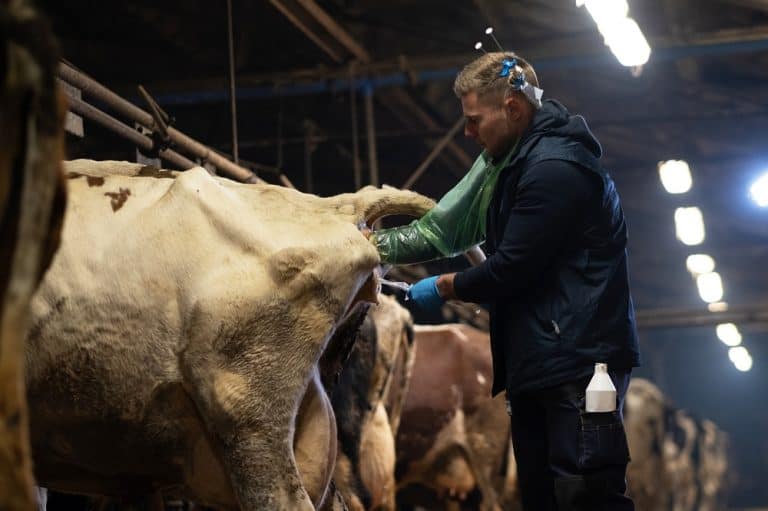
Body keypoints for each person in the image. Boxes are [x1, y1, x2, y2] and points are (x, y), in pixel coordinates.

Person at [370, 52, 640, 510]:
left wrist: (443, 287)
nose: (467, 132)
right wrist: (372, 248)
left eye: (475, 120)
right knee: (543, 497)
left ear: (513, 108)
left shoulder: (555, 168)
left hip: (580, 363)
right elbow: (446, 227)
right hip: (541, 359)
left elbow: (512, 266)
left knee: (585, 493)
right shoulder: (511, 160)